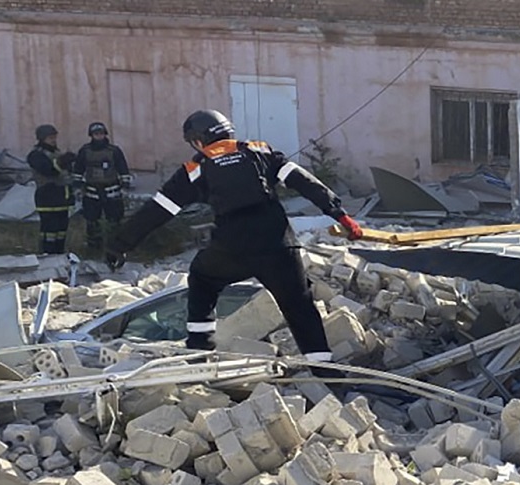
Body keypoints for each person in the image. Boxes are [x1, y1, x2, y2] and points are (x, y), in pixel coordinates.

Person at [107, 110, 364, 361]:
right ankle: (324, 368)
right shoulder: (259, 150)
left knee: (202, 277)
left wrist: (121, 245)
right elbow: (303, 181)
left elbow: (157, 210)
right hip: (279, 245)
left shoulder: (196, 168)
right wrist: (341, 215)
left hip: (232, 249)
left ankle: (199, 349)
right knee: (299, 305)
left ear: (198, 140)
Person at [72, 121, 133, 256]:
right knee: (92, 221)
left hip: (112, 191)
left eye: (100, 133)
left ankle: (116, 248)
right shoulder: (85, 151)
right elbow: (78, 169)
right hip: (91, 192)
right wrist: (77, 186)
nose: (98, 136)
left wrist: (125, 185)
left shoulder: (114, 151)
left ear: (104, 134)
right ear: (91, 135)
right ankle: (94, 248)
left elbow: (123, 168)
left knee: (114, 220)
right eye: (95, 134)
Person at [27, 124, 76, 255]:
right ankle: (47, 254)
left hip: (62, 198)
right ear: (42, 139)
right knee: (49, 230)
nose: (53, 140)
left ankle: (60, 254)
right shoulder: (35, 155)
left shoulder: (57, 153)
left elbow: (67, 174)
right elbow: (48, 171)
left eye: (54, 137)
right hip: (47, 197)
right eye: (50, 138)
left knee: (61, 231)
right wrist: (62, 162)